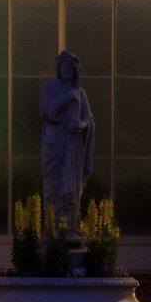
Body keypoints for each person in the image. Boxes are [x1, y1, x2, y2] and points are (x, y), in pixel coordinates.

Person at [39, 50, 96, 226]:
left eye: (69, 67)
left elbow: (89, 117)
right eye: (62, 66)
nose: (65, 70)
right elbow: (46, 111)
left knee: (73, 186)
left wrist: (82, 125)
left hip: (74, 144)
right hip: (55, 144)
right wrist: (68, 97)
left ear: (74, 70)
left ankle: (71, 227)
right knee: (54, 185)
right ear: (58, 69)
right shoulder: (50, 89)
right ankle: (53, 227)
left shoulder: (81, 93)